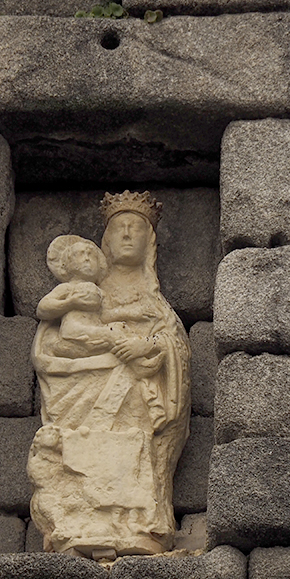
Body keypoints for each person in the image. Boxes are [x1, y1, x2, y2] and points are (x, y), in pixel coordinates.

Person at [28, 191, 191, 559]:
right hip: (83, 389)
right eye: (120, 228)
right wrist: (98, 353)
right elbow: (49, 345)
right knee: (87, 445)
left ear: (150, 241)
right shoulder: (84, 290)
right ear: (105, 242)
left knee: (133, 442)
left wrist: (145, 348)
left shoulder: (156, 303)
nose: (128, 234)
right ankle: (81, 519)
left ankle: (137, 524)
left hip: (138, 394)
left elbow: (175, 347)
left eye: (136, 228)